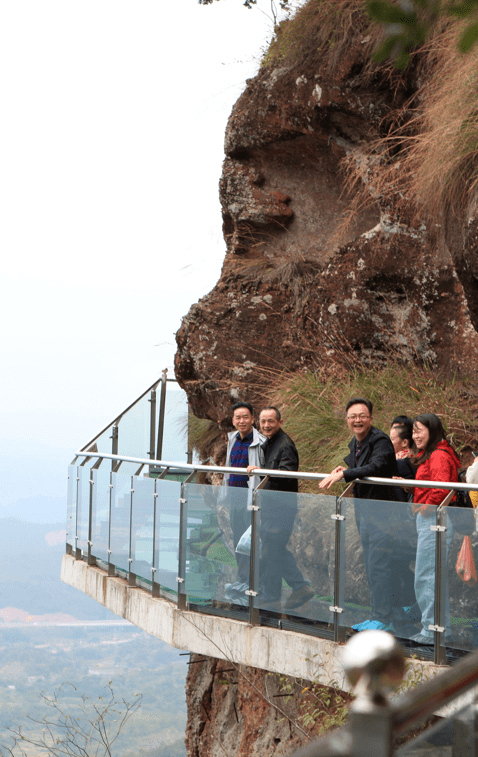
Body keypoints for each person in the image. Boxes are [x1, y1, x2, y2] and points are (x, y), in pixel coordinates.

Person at [320, 398, 399, 631]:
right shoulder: (356, 443)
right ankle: (384, 615)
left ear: (371, 418)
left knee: (379, 565)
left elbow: (375, 466)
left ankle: (383, 619)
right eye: (352, 416)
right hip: (365, 514)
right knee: (373, 564)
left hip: (384, 515)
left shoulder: (381, 440)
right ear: (347, 420)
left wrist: (345, 475)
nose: (357, 420)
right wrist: (344, 469)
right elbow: (357, 464)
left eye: (362, 416)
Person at [247, 407, 314, 610]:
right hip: (272, 505)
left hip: (281, 507)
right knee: (272, 550)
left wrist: (262, 471)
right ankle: (278, 594)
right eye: (263, 421)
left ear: (280, 422)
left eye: (271, 421)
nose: (266, 425)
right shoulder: (270, 443)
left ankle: (286, 591)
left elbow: (287, 473)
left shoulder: (285, 445)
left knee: (272, 550)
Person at [409, 413, 459, 645]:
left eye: (419, 430)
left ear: (432, 430)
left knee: (426, 575)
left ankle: (431, 631)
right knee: (433, 575)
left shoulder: (438, 454)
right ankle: (441, 628)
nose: (415, 435)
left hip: (435, 520)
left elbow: (441, 489)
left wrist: (424, 508)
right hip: (435, 520)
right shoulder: (437, 452)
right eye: (413, 431)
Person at [222, 401, 265, 583]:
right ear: (233, 421)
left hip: (251, 499)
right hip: (234, 497)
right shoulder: (232, 439)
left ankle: (255, 581)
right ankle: (243, 579)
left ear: (253, 419)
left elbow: (265, 468)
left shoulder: (260, 442)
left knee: (252, 540)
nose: (242, 421)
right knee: (238, 538)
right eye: (238, 418)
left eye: (245, 417)